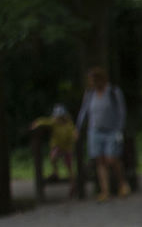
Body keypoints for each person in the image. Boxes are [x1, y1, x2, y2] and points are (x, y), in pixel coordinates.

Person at [75, 67, 128, 201]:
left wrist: (120, 129)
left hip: (112, 130)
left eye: (94, 80)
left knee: (112, 158)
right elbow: (84, 111)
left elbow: (121, 111)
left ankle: (122, 183)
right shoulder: (89, 94)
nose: (92, 83)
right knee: (100, 160)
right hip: (95, 130)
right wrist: (78, 128)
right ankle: (105, 191)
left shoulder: (113, 92)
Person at [29, 104, 77, 183]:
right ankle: (56, 172)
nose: (57, 120)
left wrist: (75, 134)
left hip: (67, 147)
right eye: (57, 118)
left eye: (60, 118)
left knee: (69, 164)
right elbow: (44, 121)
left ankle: (72, 180)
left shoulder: (69, 125)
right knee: (53, 157)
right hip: (57, 146)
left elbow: (73, 132)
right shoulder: (53, 123)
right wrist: (37, 123)